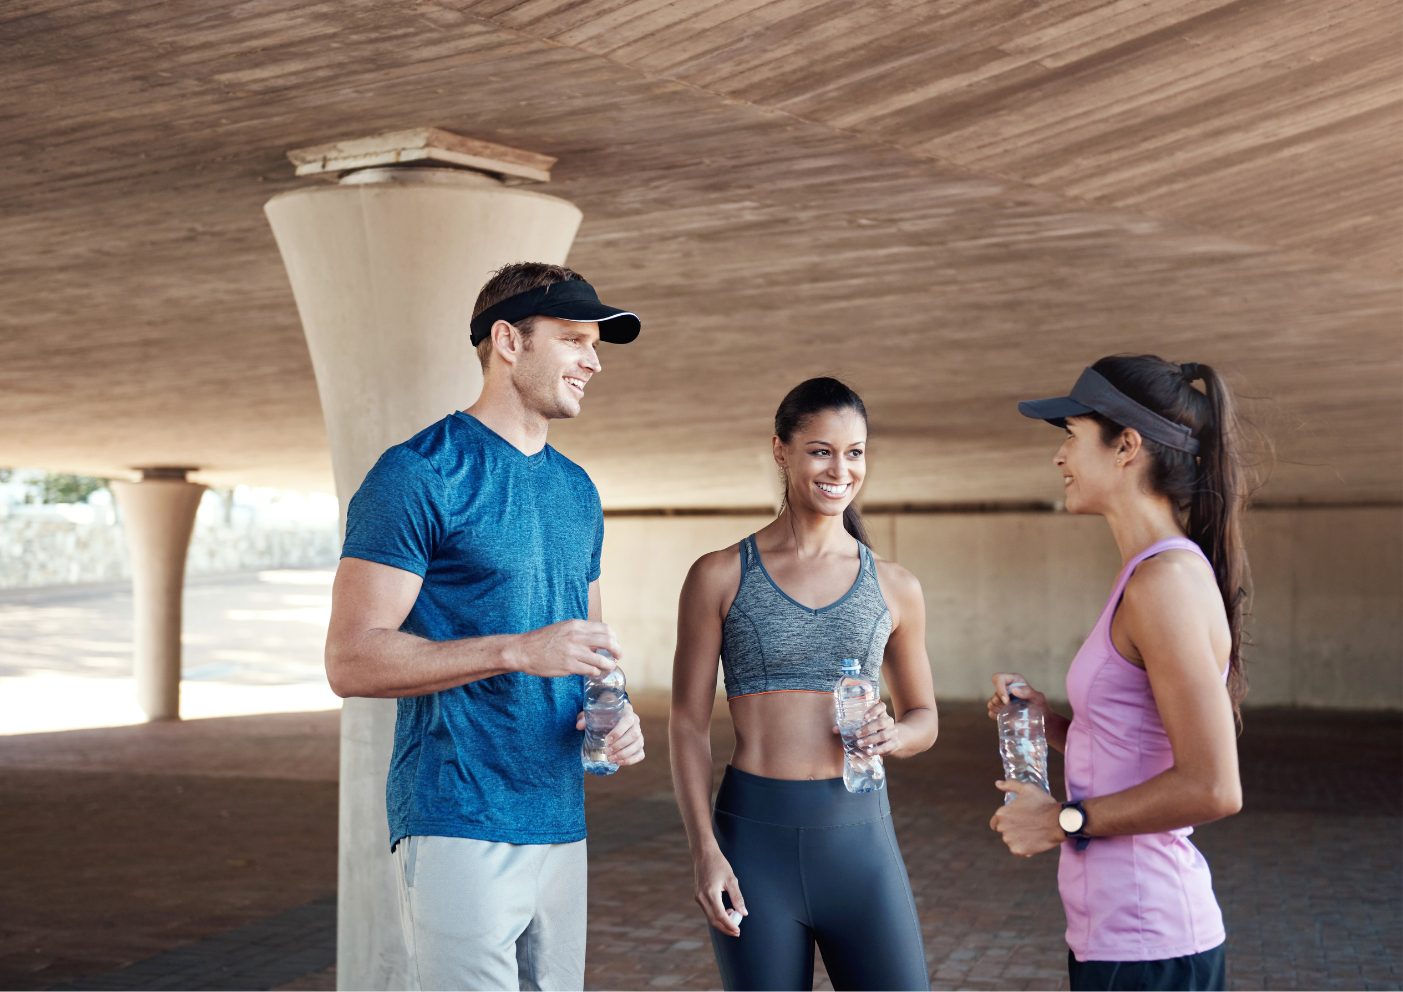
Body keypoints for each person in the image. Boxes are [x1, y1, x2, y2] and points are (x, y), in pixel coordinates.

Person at [324, 263, 647, 991]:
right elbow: (350, 660)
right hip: (457, 815)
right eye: (572, 340)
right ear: (508, 340)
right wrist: (515, 650)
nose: (593, 361)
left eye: (594, 345)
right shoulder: (416, 474)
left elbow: (589, 646)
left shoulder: (576, 489)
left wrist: (614, 710)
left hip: (560, 815)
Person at [988, 355, 1250, 992]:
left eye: (1071, 436)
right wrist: (1047, 722)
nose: (1060, 458)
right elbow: (1138, 743)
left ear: (1126, 445)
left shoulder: (1166, 582)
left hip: (1151, 943)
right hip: (1113, 936)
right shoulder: (1148, 576)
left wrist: (1062, 820)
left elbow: (1215, 787)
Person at [670, 376, 938, 992]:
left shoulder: (895, 587)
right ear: (781, 450)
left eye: (855, 452)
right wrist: (704, 851)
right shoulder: (719, 575)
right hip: (751, 846)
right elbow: (686, 723)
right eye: (820, 450)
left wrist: (896, 734)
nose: (839, 468)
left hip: (861, 844)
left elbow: (924, 716)